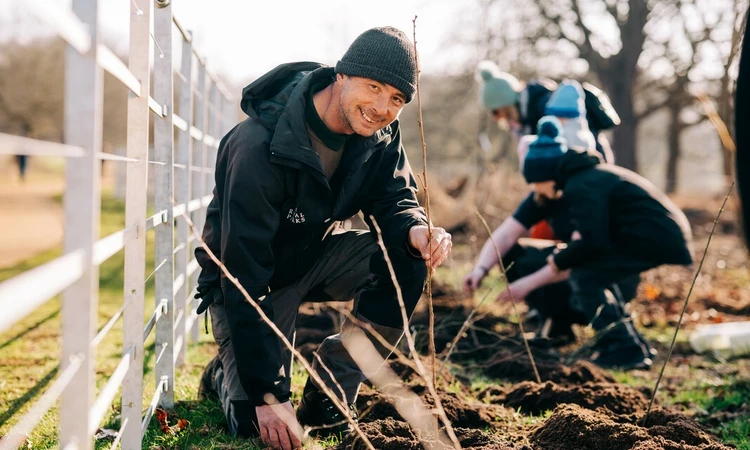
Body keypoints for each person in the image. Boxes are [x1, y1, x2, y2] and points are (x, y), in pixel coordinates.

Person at [193, 27, 453, 450]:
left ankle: (332, 386)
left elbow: (394, 198)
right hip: (247, 282)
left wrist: (415, 229)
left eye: (397, 99)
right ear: (341, 76)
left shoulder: (379, 137)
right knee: (256, 425)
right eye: (374, 88)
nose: (382, 108)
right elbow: (242, 270)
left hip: (313, 259)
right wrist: (267, 395)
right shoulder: (258, 144)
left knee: (404, 257)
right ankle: (224, 376)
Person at [464, 117, 693, 371]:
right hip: (651, 236)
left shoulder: (582, 185)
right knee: (593, 274)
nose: (532, 188)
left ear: (545, 175)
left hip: (654, 236)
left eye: (534, 181)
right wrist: (481, 269)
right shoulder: (570, 182)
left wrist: (549, 266)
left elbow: (591, 243)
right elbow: (510, 233)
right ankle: (631, 346)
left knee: (587, 276)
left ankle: (623, 350)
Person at [476, 60, 618, 163]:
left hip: (591, 163)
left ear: (505, 105)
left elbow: (573, 144)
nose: (495, 118)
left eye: (494, 112)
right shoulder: (523, 121)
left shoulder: (545, 108)